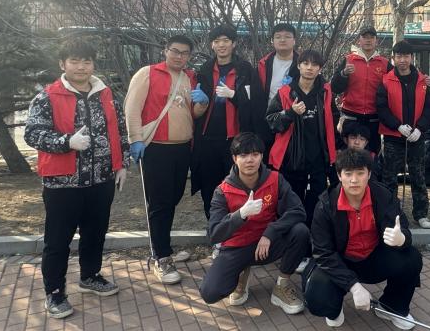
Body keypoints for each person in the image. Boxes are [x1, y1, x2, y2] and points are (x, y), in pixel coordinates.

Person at [25, 38, 130, 318]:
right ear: (63, 64)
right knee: (58, 240)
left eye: (86, 61)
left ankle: (90, 275)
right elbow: (32, 133)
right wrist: (66, 142)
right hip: (63, 183)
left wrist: (122, 164)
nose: (81, 67)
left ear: (93, 64)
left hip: (101, 180)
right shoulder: (47, 97)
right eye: (74, 61)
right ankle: (55, 292)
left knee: (95, 233)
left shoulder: (106, 95)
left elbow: (120, 131)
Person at [303, 148, 422, 329]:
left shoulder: (383, 196)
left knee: (412, 258)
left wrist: (402, 239)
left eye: (360, 173)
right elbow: (323, 253)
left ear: (369, 174)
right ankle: (334, 309)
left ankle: (391, 307)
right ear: (339, 175)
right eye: (348, 173)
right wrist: (354, 286)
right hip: (341, 260)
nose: (354, 180)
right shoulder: (325, 206)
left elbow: (402, 228)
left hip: (374, 257)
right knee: (317, 297)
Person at [125, 35, 208, 284]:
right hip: (156, 148)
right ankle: (160, 256)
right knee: (159, 203)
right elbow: (132, 108)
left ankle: (164, 247)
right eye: (175, 51)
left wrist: (202, 105)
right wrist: (135, 139)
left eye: (185, 53)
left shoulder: (190, 77)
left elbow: (192, 113)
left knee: (172, 199)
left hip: (182, 148)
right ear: (165, 50)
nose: (179, 56)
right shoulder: (148, 73)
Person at [199, 132, 310, 314]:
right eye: (243, 155)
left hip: (267, 244)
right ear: (234, 158)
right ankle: (241, 274)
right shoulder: (222, 191)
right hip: (236, 248)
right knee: (209, 293)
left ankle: (282, 285)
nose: (250, 160)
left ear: (261, 156)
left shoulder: (275, 179)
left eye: (255, 154)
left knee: (300, 231)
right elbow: (213, 234)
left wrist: (271, 232)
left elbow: (298, 211)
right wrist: (240, 214)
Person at [192, 24, 257, 233]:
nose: (221, 45)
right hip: (207, 138)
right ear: (212, 45)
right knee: (210, 187)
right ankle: (216, 231)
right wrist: (200, 102)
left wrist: (234, 95)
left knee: (236, 186)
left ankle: (237, 231)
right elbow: (196, 104)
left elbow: (255, 100)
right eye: (217, 41)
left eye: (226, 41)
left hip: (235, 139)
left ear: (234, 44)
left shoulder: (245, 69)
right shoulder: (204, 69)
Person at [267, 49, 339, 225]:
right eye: (305, 63)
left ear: (320, 69)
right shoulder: (285, 92)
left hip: (319, 158)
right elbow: (271, 121)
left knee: (318, 203)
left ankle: (314, 237)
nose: (309, 68)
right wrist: (290, 113)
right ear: (298, 66)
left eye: (314, 64)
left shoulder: (326, 92)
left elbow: (334, 119)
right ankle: (294, 235)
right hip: (292, 158)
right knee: (292, 204)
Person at [376, 40, 430, 229]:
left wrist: (420, 129)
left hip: (416, 137)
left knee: (418, 176)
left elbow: (429, 108)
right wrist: (397, 126)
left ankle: (421, 214)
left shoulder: (422, 82)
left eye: (406, 56)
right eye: (399, 56)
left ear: (411, 57)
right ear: (393, 58)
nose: (402, 60)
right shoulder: (386, 80)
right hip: (393, 137)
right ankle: (390, 213)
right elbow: (381, 108)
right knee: (390, 177)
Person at [330, 27, 390, 154]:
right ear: (359, 40)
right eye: (365, 37)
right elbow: (334, 87)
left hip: (374, 119)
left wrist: (422, 80)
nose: (368, 40)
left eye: (371, 37)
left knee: (371, 156)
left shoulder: (385, 64)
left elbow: (399, 81)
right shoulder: (348, 60)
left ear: (376, 41)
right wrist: (343, 74)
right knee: (348, 156)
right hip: (351, 117)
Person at [254, 23, 301, 148]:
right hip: (268, 118)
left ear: (294, 40)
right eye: (278, 37)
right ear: (272, 41)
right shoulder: (263, 64)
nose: (282, 40)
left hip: (294, 119)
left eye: (287, 36)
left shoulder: (303, 64)